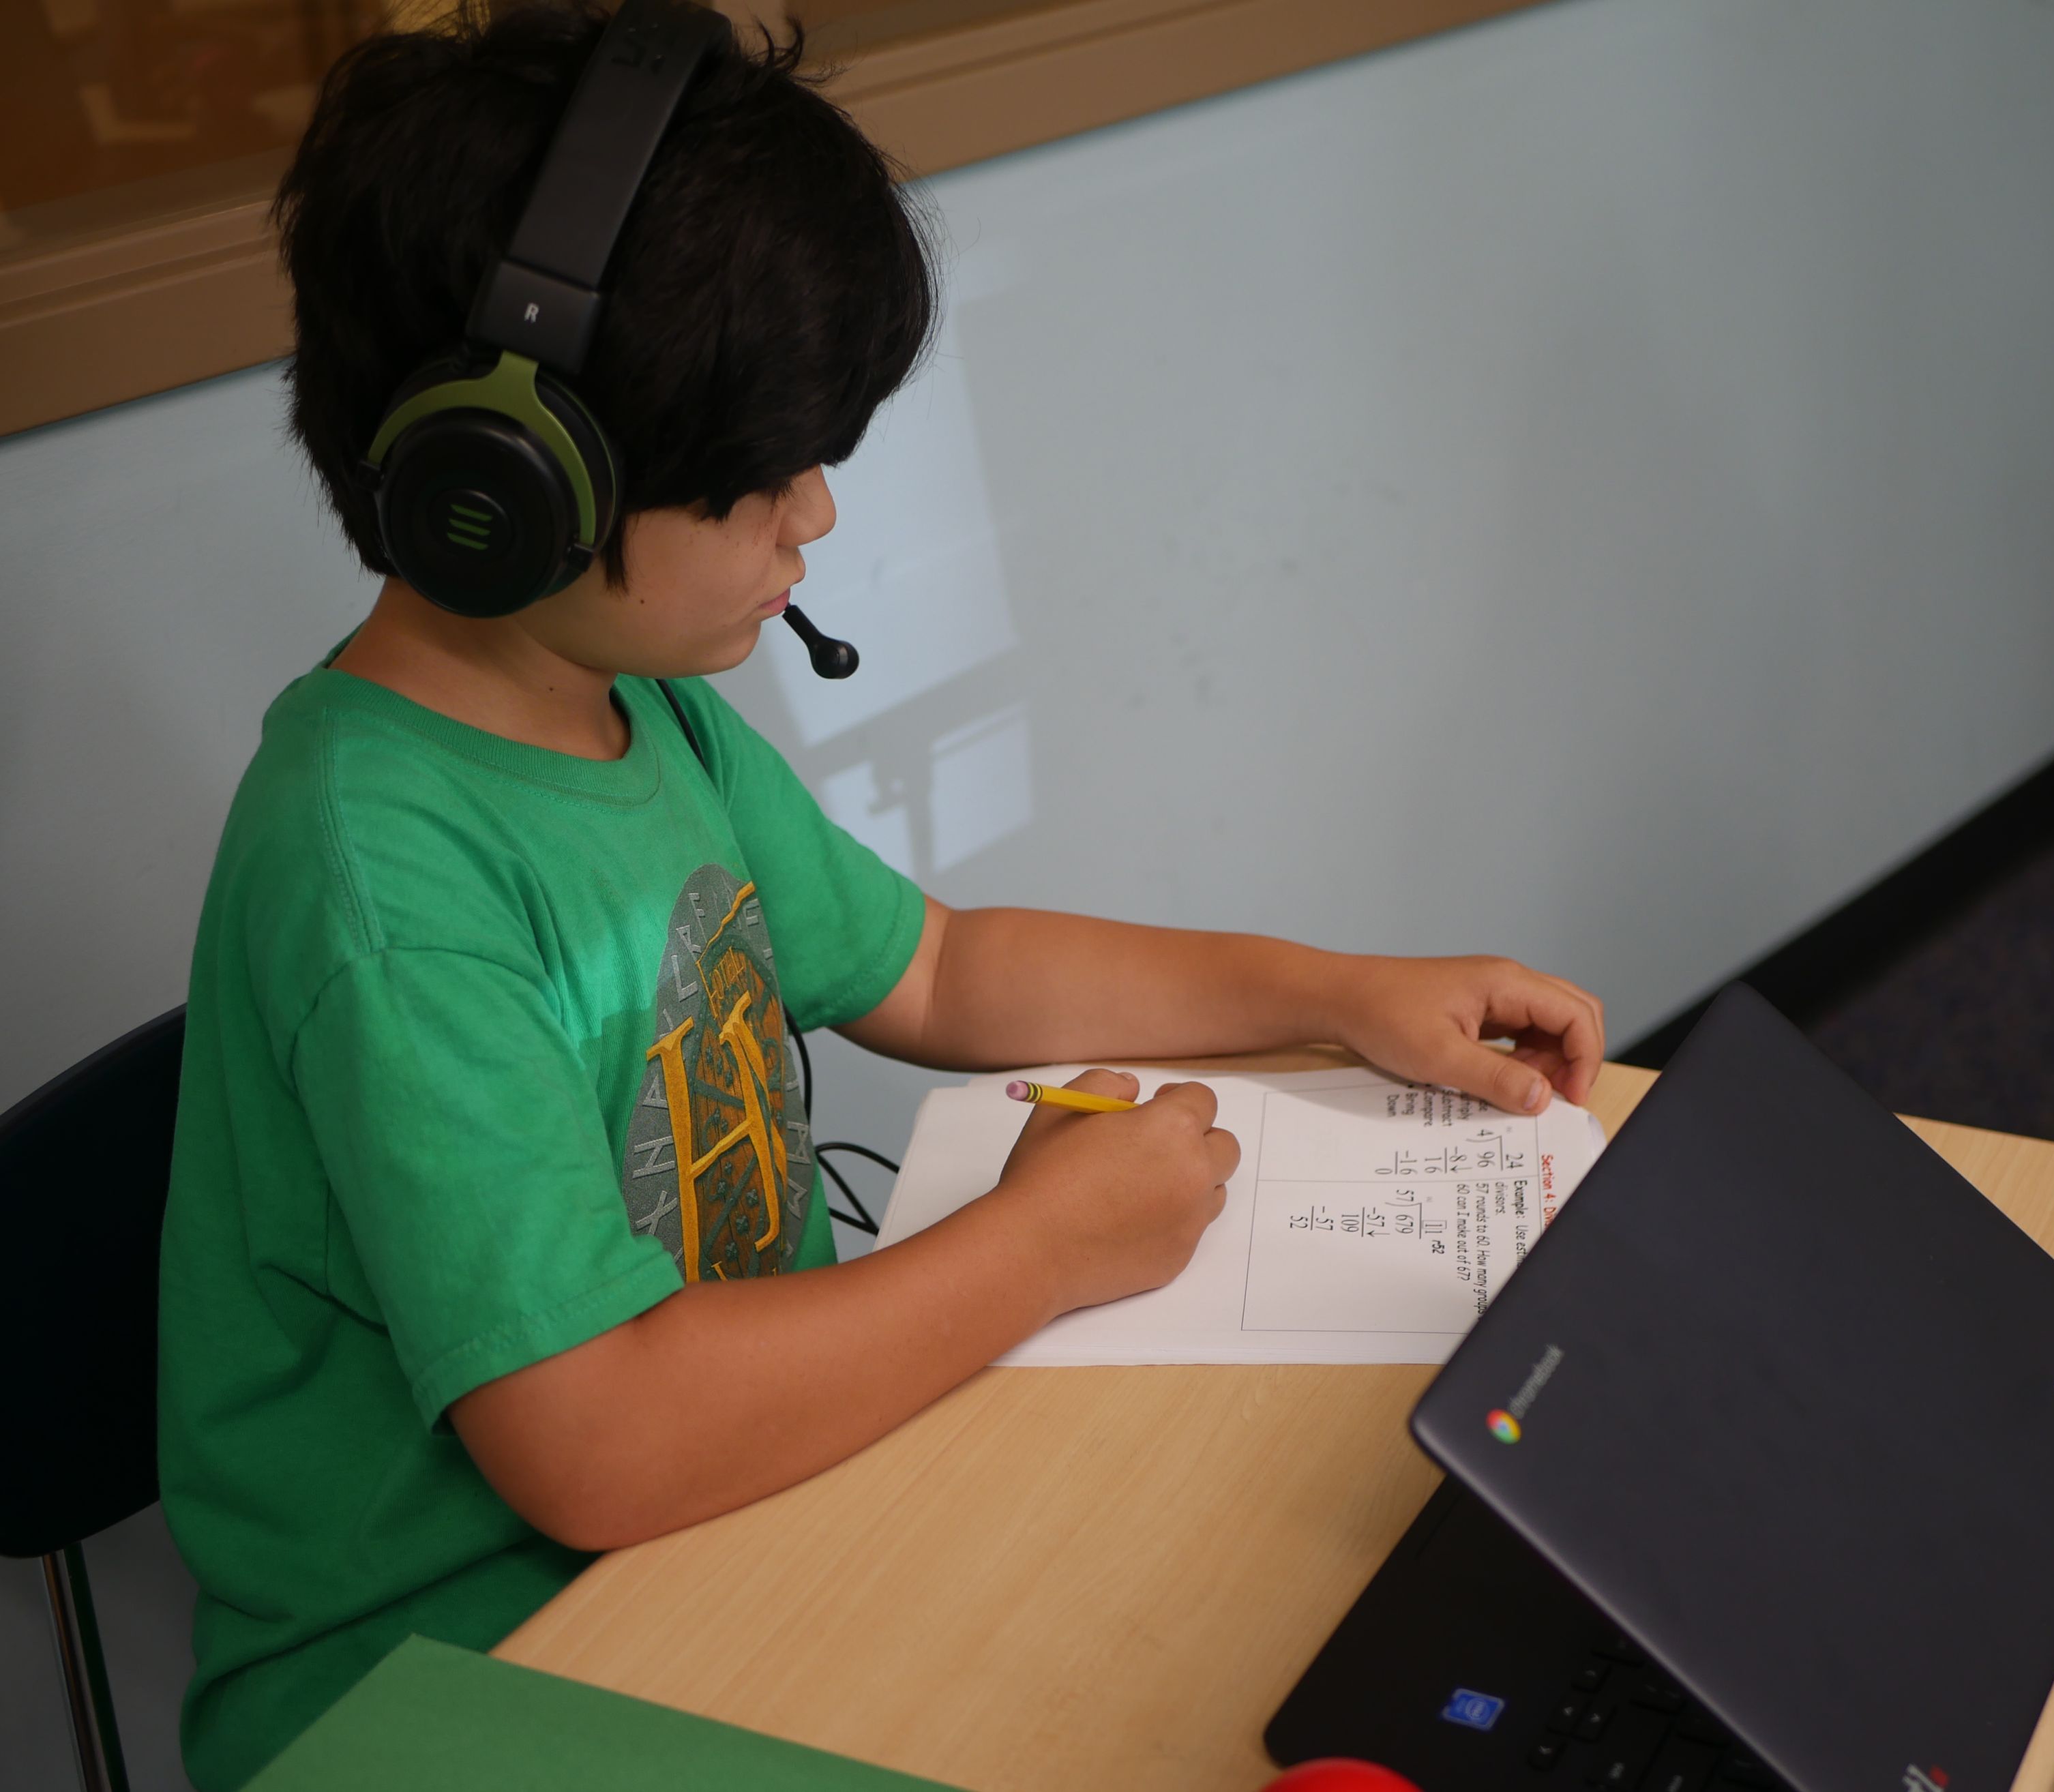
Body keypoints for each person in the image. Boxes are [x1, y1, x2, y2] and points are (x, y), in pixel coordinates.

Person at [155, 5, 1605, 1787]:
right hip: (441, 1677)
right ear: (510, 489)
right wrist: (1040, 1246)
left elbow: (940, 963)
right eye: (763, 479)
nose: (817, 513)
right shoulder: (379, 870)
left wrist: (1335, 989)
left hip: (705, 1529)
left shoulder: (639, 711)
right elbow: (597, 1435)